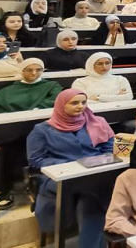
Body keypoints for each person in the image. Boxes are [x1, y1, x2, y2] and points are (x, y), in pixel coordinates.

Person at [27, 89, 115, 248]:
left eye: (83, 102)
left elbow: (109, 148)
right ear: (61, 105)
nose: (80, 106)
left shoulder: (97, 121)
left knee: (92, 194)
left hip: (95, 172)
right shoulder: (41, 130)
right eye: (74, 103)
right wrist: (73, 164)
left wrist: (100, 161)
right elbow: (36, 160)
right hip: (58, 176)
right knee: (94, 191)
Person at [0, 58, 61, 209]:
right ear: (22, 71)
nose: (34, 73)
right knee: (12, 150)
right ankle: (7, 189)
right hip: (14, 131)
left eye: (38, 70)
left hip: (43, 128)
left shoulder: (51, 86)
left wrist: (35, 110)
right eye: (29, 70)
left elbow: (57, 100)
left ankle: (42, 185)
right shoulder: (6, 91)